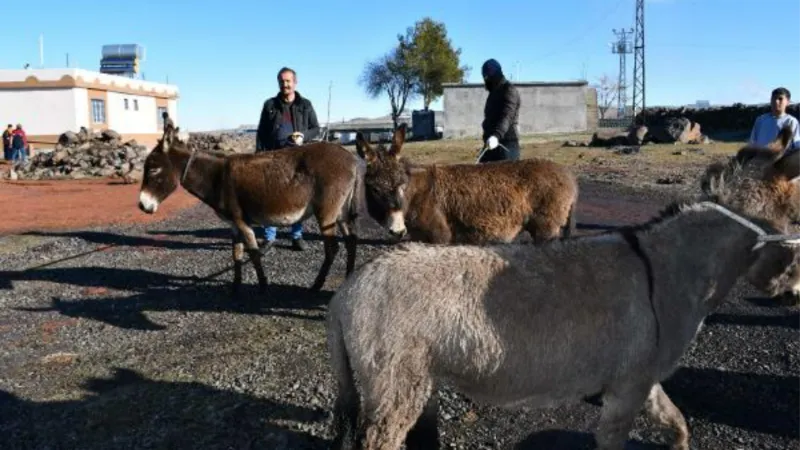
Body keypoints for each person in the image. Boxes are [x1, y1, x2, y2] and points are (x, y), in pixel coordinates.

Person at [255, 66, 321, 250]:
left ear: (295, 82)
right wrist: (259, 157)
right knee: (270, 196)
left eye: (288, 81)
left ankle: (297, 236)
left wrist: (303, 137)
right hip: (273, 157)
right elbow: (261, 132)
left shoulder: (305, 104)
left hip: (298, 158)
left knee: (296, 197)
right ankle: (269, 237)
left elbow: (316, 128)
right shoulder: (270, 105)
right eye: (282, 81)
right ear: (278, 83)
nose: (285, 84)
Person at [479, 58, 521, 163]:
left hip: (506, 145)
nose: (487, 80)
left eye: (489, 77)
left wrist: (496, 136)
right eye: (485, 77)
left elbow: (506, 117)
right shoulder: (492, 94)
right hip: (490, 145)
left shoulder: (509, 90)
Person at [749, 87, 800, 153]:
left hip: (782, 161)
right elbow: (752, 143)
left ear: (787, 102)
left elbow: (797, 146)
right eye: (774, 98)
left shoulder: (791, 121)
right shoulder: (761, 120)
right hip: (760, 160)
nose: (776, 101)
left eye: (780, 99)